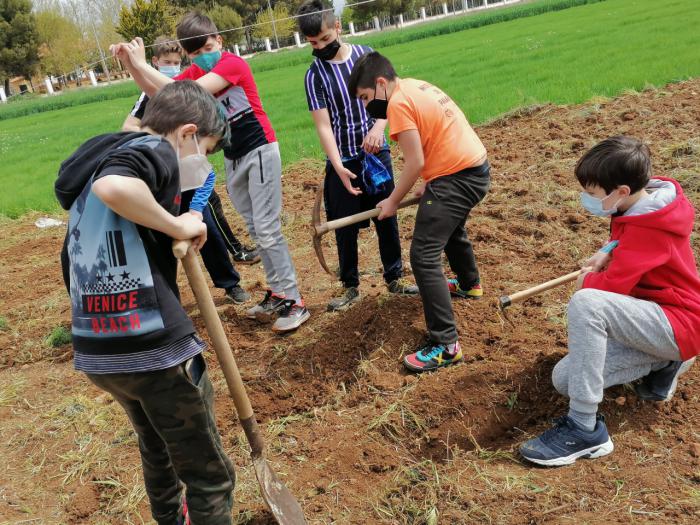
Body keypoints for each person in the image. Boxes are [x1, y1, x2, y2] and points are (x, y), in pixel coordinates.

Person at [55, 81, 236, 524]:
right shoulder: (153, 151)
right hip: (153, 350)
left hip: (101, 351)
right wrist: (176, 224)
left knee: (157, 451)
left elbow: (71, 255)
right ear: (187, 133)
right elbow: (115, 188)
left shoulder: (100, 156)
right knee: (210, 476)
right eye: (205, 150)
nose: (202, 164)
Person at [111, 13, 310, 332]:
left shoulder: (233, 64)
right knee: (256, 229)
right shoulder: (194, 70)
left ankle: (295, 301)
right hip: (233, 156)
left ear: (219, 40)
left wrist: (140, 63)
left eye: (207, 47)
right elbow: (161, 94)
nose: (203, 56)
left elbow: (192, 95)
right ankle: (277, 293)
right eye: (195, 53)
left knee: (268, 228)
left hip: (259, 148)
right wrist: (132, 65)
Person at [519, 136, 700, 467]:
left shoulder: (651, 226)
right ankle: (666, 362)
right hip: (655, 320)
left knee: (588, 302)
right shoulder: (637, 208)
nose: (586, 199)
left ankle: (584, 428)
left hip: (680, 322)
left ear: (621, 191)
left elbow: (612, 289)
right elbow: (623, 246)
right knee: (565, 380)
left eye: (592, 194)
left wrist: (585, 280)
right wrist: (605, 253)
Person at [348, 52, 490, 373]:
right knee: (448, 225)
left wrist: (393, 201)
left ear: (381, 84)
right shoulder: (413, 86)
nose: (367, 106)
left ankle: (446, 344)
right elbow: (437, 137)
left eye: (367, 97)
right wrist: (433, 180)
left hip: (458, 176)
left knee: (424, 255)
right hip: (472, 167)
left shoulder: (396, 104)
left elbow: (415, 162)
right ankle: (469, 284)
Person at [297, 0, 418, 311]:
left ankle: (394, 277)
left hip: (376, 155)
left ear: (337, 26)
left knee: (385, 216)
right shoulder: (315, 75)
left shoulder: (366, 56)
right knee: (343, 225)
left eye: (324, 39)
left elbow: (389, 96)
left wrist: (379, 127)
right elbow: (324, 126)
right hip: (343, 161)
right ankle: (350, 286)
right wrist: (337, 166)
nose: (320, 46)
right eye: (313, 43)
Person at [121, 35, 260, 304]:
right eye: (167, 63)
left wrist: (195, 211)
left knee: (208, 230)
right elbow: (129, 124)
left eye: (176, 62)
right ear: (155, 63)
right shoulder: (151, 96)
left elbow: (207, 177)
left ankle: (230, 284)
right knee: (159, 244)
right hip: (161, 185)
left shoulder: (185, 92)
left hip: (189, 182)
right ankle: (166, 298)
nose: (173, 66)